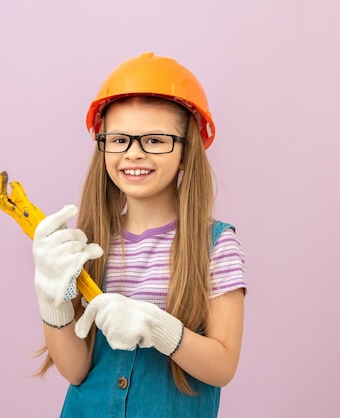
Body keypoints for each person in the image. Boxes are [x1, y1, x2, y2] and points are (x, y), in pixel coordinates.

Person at [32, 52, 247, 417]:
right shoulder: (90, 244)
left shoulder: (215, 246)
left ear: (185, 151)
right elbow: (75, 369)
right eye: (118, 140)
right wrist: (50, 298)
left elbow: (223, 366)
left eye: (155, 140)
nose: (133, 154)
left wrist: (159, 328)